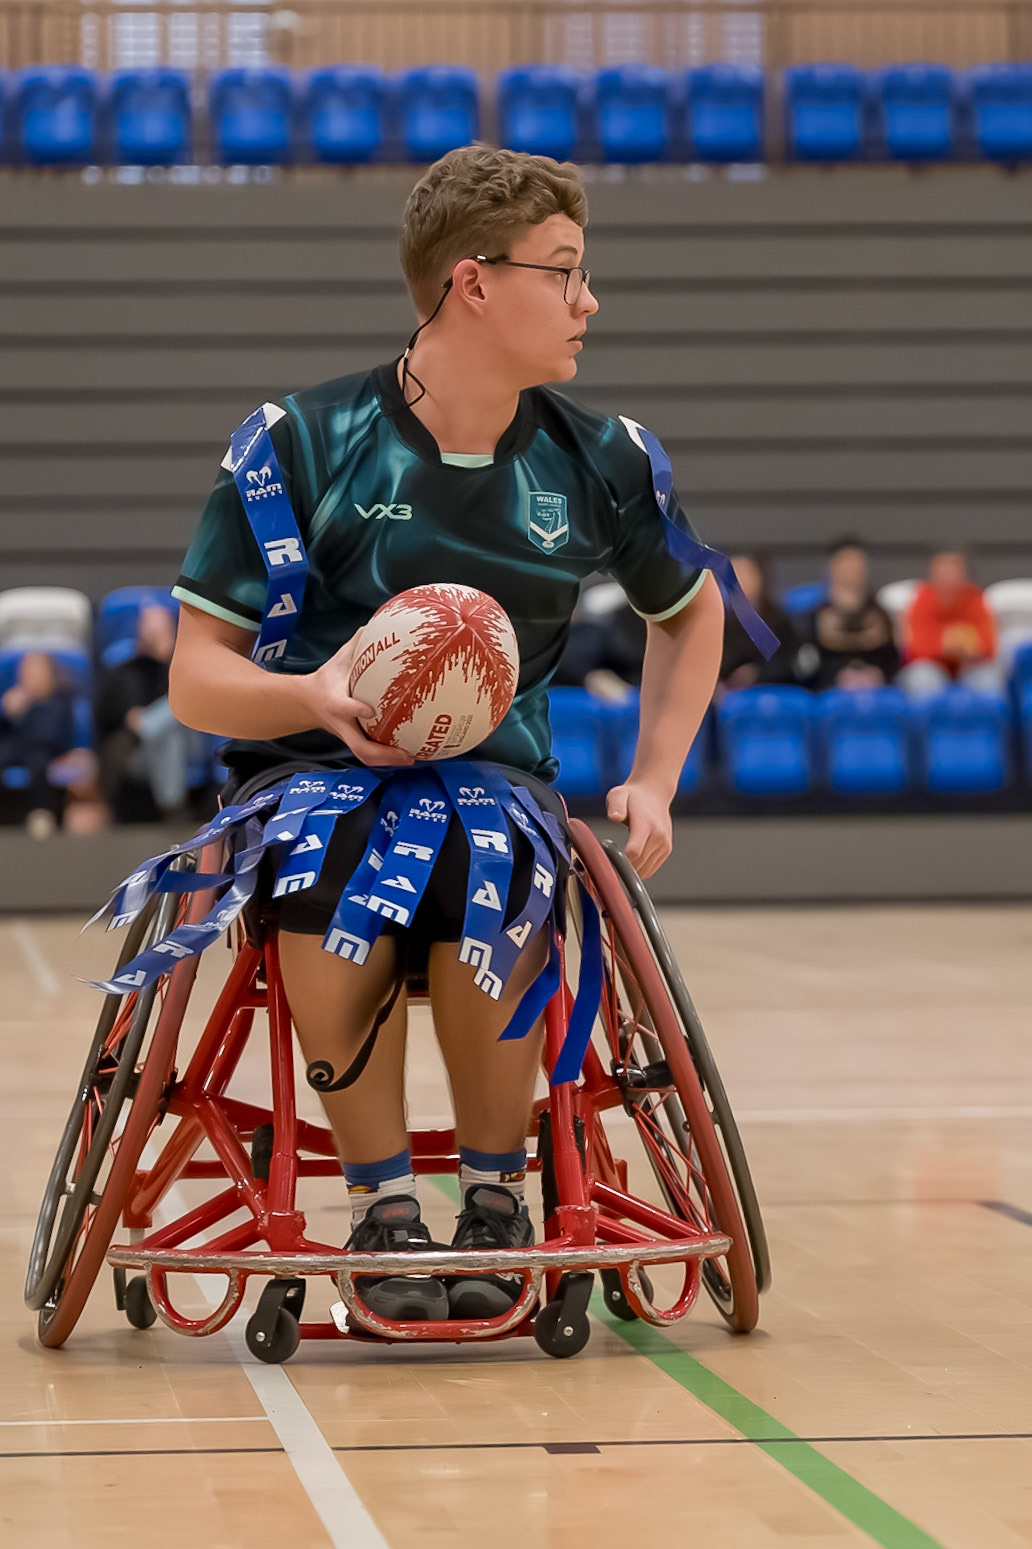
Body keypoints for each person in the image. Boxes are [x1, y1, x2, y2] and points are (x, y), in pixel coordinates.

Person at [164, 144, 756, 1325]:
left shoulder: (602, 459)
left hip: (499, 787)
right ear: (472, 283)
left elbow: (696, 616)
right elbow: (196, 678)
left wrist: (654, 777)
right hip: (312, 775)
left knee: (497, 860)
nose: (590, 300)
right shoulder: (300, 443)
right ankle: (384, 1207)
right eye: (566, 271)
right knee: (335, 874)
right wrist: (317, 696)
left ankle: (496, 1197)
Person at [96, 602, 210, 822]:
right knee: (169, 735)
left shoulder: (183, 666)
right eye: (150, 628)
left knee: (178, 708)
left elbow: (197, 701)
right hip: (138, 752)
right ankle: (173, 807)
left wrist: (168, 656)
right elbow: (107, 716)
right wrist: (128, 718)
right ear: (139, 631)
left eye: (161, 628)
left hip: (191, 742)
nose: (155, 634)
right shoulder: (123, 671)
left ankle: (150, 724)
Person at [795, 538, 899, 691]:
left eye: (858, 563)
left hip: (877, 693)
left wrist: (878, 674)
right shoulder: (812, 618)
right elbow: (805, 664)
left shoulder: (881, 616)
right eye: (846, 563)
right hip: (829, 693)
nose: (853, 569)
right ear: (832, 567)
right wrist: (836, 675)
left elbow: (892, 660)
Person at [897, 551, 1004, 699]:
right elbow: (916, 648)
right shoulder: (922, 600)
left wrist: (968, 647)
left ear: (963, 576)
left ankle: (982, 722)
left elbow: (988, 646)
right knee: (921, 677)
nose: (948, 579)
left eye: (953, 573)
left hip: (969, 667)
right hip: (933, 667)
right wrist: (946, 645)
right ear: (932, 575)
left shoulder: (975, 598)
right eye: (943, 573)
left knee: (989, 677)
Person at [0, 651, 76, 838]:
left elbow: (51, 734)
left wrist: (30, 707)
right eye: (25, 672)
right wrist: (8, 713)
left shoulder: (59, 699)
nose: (30, 678)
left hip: (45, 749)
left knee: (38, 758)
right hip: (16, 747)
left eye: (35, 672)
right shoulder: (12, 701)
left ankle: (41, 813)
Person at [718, 553, 797, 693]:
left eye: (745, 574)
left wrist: (758, 674)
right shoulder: (721, 622)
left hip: (776, 688)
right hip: (732, 694)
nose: (738, 581)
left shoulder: (778, 619)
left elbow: (791, 662)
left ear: (758, 578)